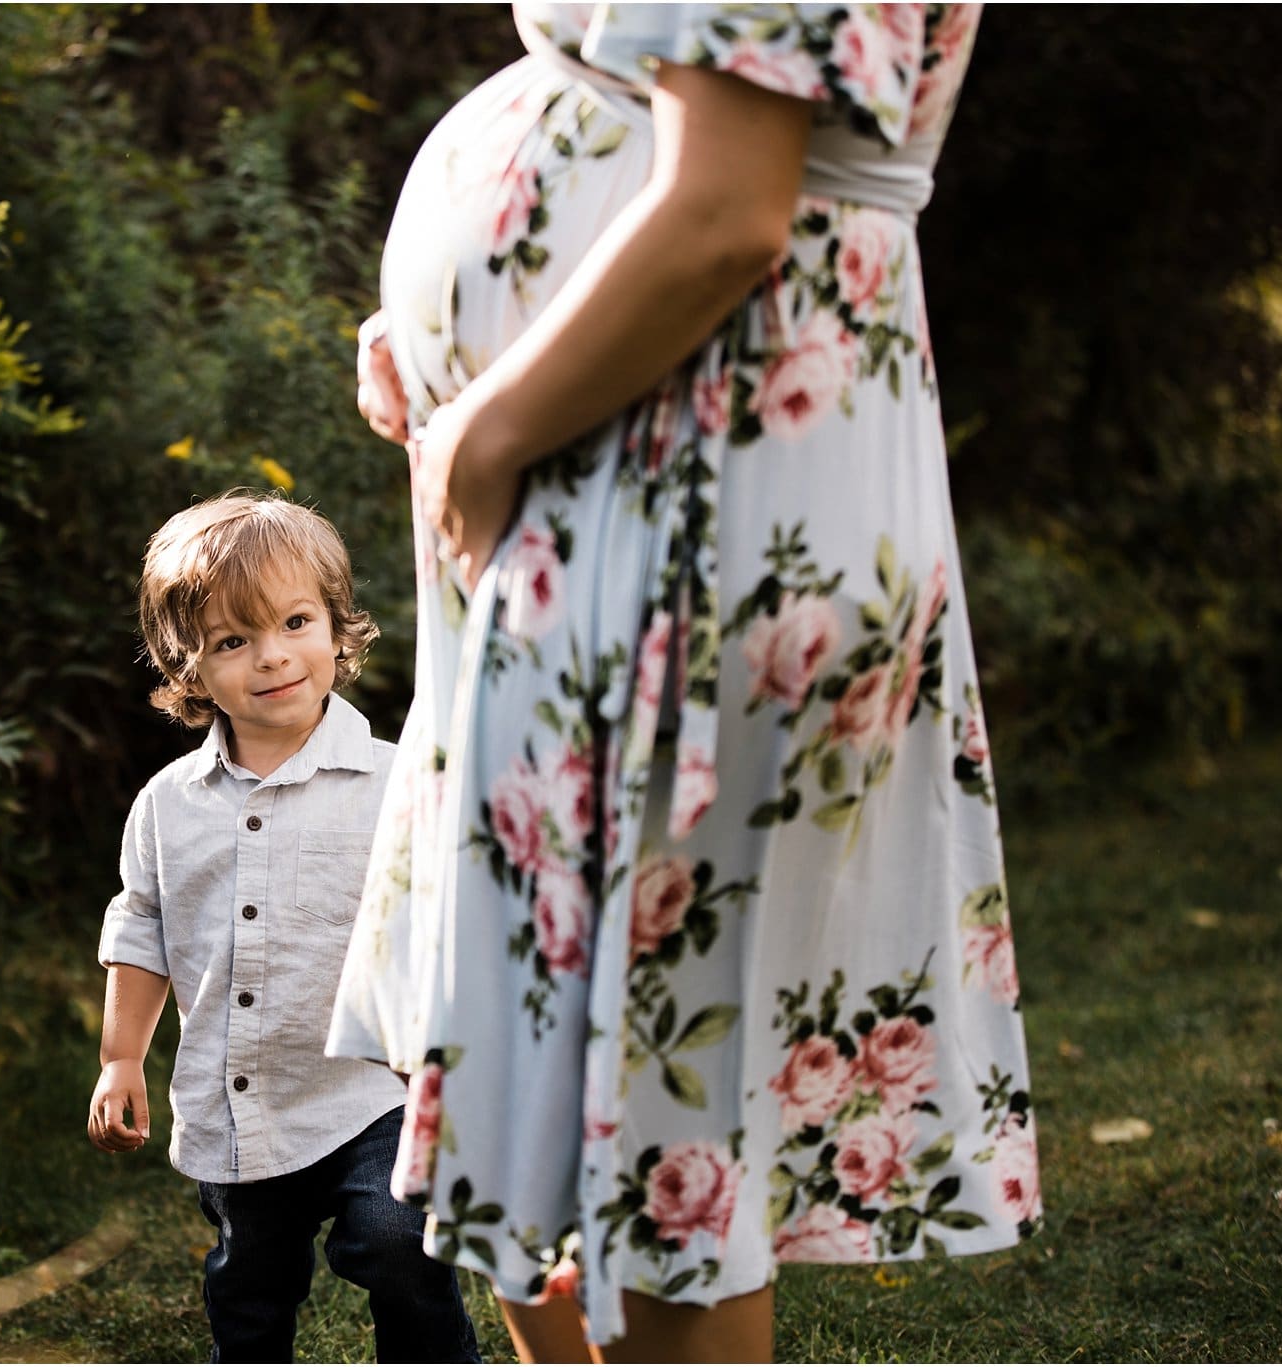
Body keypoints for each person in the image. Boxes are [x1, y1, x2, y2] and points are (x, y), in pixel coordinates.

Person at [332, 5, 1039, 1363]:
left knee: (659, 1132)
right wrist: (469, 326)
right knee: (550, 1084)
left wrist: (487, 422)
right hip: (613, 489)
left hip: (690, 501)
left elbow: (726, 207)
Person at [86, 491, 482, 1364]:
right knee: (249, 1287)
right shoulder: (167, 806)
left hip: (373, 1087)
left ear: (338, 628)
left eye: (296, 621)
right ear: (188, 667)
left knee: (396, 1238)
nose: (272, 656)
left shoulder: (396, 781)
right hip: (241, 1096)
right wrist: (122, 1057)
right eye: (233, 640)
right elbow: (143, 927)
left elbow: (449, 914)